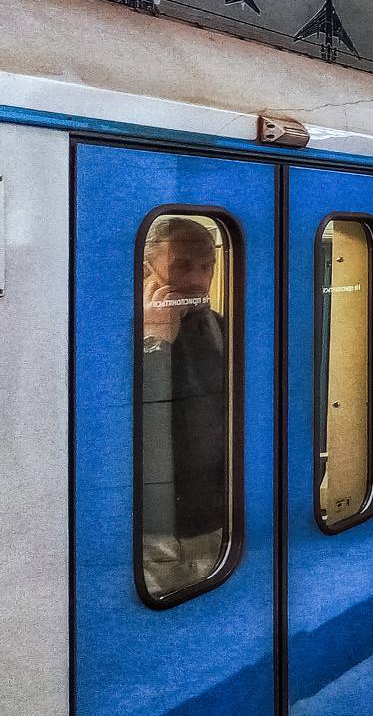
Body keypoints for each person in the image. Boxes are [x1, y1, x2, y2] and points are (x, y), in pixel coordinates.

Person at [139, 217, 228, 598]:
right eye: (182, 267)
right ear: (147, 270)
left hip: (219, 523)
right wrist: (156, 339)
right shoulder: (122, 334)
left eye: (207, 266)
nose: (197, 280)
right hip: (153, 532)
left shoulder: (223, 329)